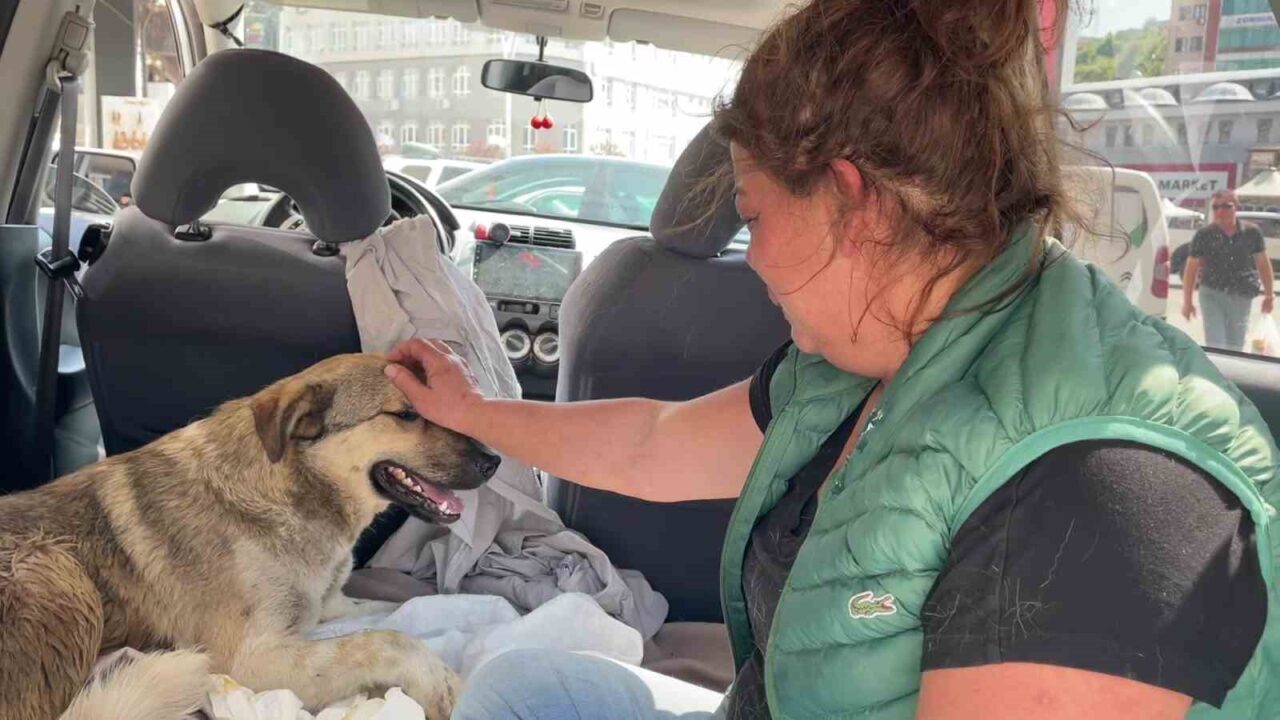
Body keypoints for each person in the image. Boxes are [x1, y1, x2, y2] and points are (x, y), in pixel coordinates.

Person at [385, 1, 1279, 718]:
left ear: (852, 205)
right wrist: (470, 413)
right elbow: (653, 442)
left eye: (756, 216)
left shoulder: (1100, 491)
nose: (756, 259)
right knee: (520, 687)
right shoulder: (870, 358)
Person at [1181, 189, 1275, 350]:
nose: (1220, 211)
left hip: (1241, 295)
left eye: (1226, 206)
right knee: (1216, 343)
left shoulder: (1252, 233)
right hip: (1212, 293)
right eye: (1216, 207)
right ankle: (1217, 373)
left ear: (1236, 207)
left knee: (1235, 346)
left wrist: (1269, 294)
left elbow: (1263, 264)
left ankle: (1229, 375)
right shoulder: (1204, 234)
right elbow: (1191, 269)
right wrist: (1187, 302)